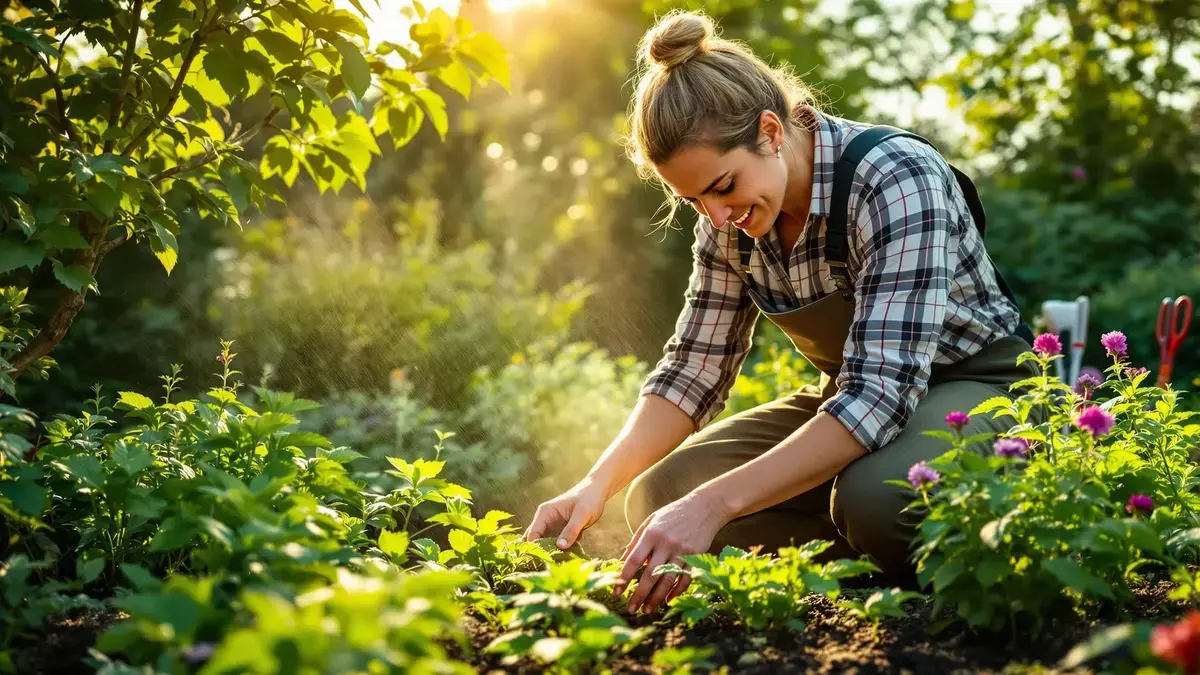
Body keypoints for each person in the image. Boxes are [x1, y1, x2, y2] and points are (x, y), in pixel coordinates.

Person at [521, 9, 1037, 617]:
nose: (714, 217)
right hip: (853, 399)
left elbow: (879, 395)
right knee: (662, 494)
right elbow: (693, 371)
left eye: (721, 187)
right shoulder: (728, 219)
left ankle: (943, 534)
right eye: (692, 200)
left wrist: (717, 506)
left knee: (875, 501)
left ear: (770, 131)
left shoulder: (894, 177)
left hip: (976, 389)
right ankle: (859, 558)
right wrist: (594, 485)